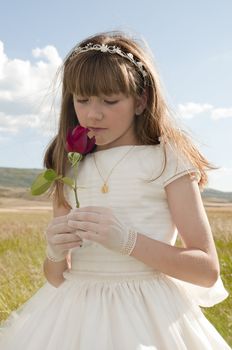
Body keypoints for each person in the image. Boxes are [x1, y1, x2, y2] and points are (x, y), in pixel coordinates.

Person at [0, 31, 231, 350]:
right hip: (72, 317)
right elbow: (56, 277)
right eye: (82, 100)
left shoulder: (166, 160)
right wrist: (54, 252)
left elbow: (206, 270)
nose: (93, 113)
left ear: (141, 100)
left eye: (110, 100)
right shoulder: (68, 164)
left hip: (147, 316)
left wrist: (128, 241)